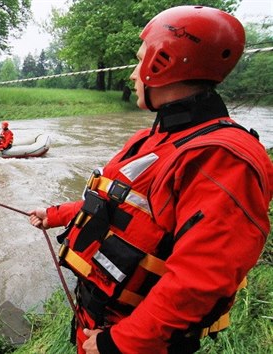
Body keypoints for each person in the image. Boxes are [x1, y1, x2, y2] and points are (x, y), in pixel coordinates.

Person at [28, 6, 272, 354]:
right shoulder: (151, 139)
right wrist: (53, 215)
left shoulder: (222, 158)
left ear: (163, 63)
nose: (132, 75)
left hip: (133, 340)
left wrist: (119, 343)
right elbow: (116, 207)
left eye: (139, 60)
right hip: (94, 321)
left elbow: (201, 280)